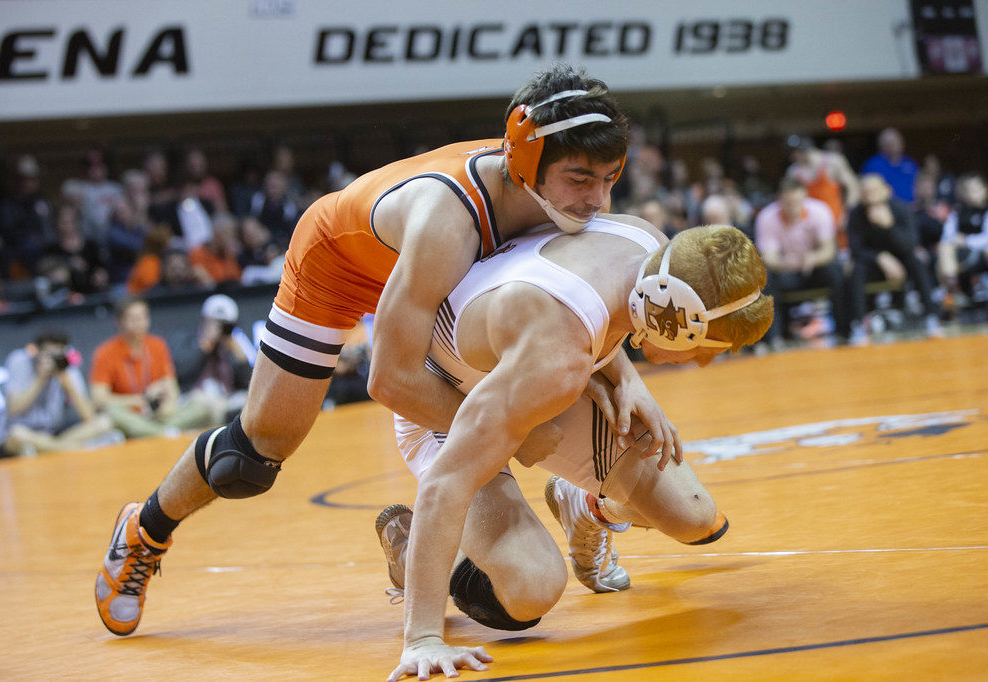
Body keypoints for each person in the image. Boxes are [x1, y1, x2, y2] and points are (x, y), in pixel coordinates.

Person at [93, 63, 632, 639]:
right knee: (255, 452)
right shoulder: (455, 216)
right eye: (582, 179)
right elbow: (388, 380)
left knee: (531, 568)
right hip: (340, 261)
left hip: (432, 280)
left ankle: (545, 517)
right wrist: (510, 432)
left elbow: (575, 298)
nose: (598, 198)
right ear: (530, 166)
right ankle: (144, 530)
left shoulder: (555, 182)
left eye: (611, 178)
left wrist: (625, 372)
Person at [376, 217, 772, 680]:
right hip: (443, 398)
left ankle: (584, 506)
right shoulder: (559, 351)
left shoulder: (650, 251)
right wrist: (422, 638)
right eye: (707, 347)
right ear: (674, 320)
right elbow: (447, 483)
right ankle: (409, 553)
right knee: (531, 588)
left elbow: (587, 302)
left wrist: (626, 375)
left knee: (694, 515)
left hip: (527, 376)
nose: (704, 361)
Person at [89, 296, 212, 439]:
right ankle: (162, 432)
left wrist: (169, 405)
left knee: (201, 404)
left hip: (158, 413)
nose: (140, 323)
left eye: (143, 317)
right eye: (133, 319)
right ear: (119, 322)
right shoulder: (104, 352)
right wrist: (139, 400)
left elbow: (171, 386)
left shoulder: (157, 345)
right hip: (130, 413)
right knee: (112, 412)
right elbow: (100, 399)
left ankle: (155, 431)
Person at [755, 177, 850, 345]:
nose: (793, 207)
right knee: (766, 278)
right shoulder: (767, 217)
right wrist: (790, 263)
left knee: (836, 270)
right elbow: (770, 259)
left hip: (815, 268)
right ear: (779, 199)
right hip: (786, 271)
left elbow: (828, 250)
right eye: (788, 202)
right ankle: (774, 339)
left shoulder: (820, 211)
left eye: (797, 201)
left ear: (805, 196)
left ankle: (844, 332)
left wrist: (812, 258)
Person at [0, 329, 118, 457]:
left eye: (57, 355)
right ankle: (70, 448)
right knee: (17, 434)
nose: (52, 360)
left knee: (104, 423)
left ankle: (53, 448)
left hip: (52, 435)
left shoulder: (66, 369)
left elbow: (89, 417)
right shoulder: (20, 361)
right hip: (21, 433)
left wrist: (68, 384)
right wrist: (40, 379)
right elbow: (13, 408)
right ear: (37, 352)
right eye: (48, 354)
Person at [846, 174, 942, 340]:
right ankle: (859, 325)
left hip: (902, 260)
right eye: (865, 192)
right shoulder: (856, 214)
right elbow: (856, 249)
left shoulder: (902, 209)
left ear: (886, 191)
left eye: (874, 190)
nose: (870, 195)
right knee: (856, 270)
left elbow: (911, 243)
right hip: (872, 263)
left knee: (917, 262)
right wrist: (881, 257)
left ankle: (931, 319)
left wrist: (889, 227)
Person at [174, 294, 253, 425]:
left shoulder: (233, 344)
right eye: (214, 323)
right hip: (198, 397)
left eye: (224, 325)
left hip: (226, 398)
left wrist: (241, 357)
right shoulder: (189, 338)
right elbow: (182, 373)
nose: (219, 329)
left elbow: (248, 384)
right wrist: (204, 348)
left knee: (248, 401)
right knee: (203, 403)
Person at [786, 135, 860, 237]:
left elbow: (853, 186)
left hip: (836, 219)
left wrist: (848, 214)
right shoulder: (794, 171)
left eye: (793, 153)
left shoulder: (833, 161)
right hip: (811, 225)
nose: (792, 158)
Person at [937, 172, 988, 308]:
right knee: (944, 247)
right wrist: (957, 241)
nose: (971, 194)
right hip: (959, 255)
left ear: (985, 190)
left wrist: (967, 240)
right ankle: (953, 288)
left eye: (975, 190)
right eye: (968, 190)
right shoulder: (958, 212)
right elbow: (947, 236)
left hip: (980, 252)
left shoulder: (986, 211)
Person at [860, 128, 920, 202]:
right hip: (885, 208)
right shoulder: (873, 164)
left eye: (896, 142)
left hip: (911, 207)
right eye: (889, 143)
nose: (893, 145)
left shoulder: (909, 163)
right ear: (882, 145)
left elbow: (918, 184)